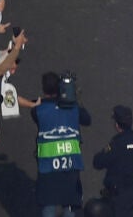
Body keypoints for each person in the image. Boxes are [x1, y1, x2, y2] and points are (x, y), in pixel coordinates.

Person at [22, 74, 91, 217]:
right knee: (70, 204)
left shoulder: (38, 110)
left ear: (43, 88)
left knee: (48, 205)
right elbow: (87, 119)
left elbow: (36, 110)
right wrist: (75, 99)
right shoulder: (73, 108)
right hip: (70, 166)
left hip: (48, 168)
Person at [91, 105, 133, 217]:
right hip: (131, 195)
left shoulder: (117, 144)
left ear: (117, 125)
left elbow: (98, 162)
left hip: (116, 197)